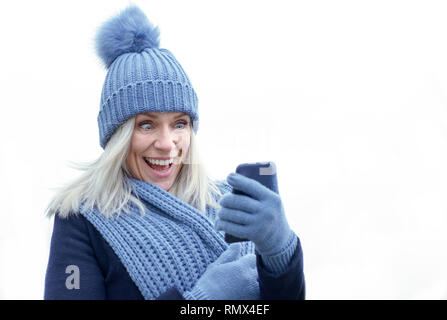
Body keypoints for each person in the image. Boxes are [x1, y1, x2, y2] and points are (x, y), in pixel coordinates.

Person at [44, 5, 305, 300]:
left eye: (179, 123)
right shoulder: (83, 221)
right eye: (146, 125)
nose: (167, 143)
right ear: (117, 137)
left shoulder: (227, 206)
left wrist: (281, 253)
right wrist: (200, 301)